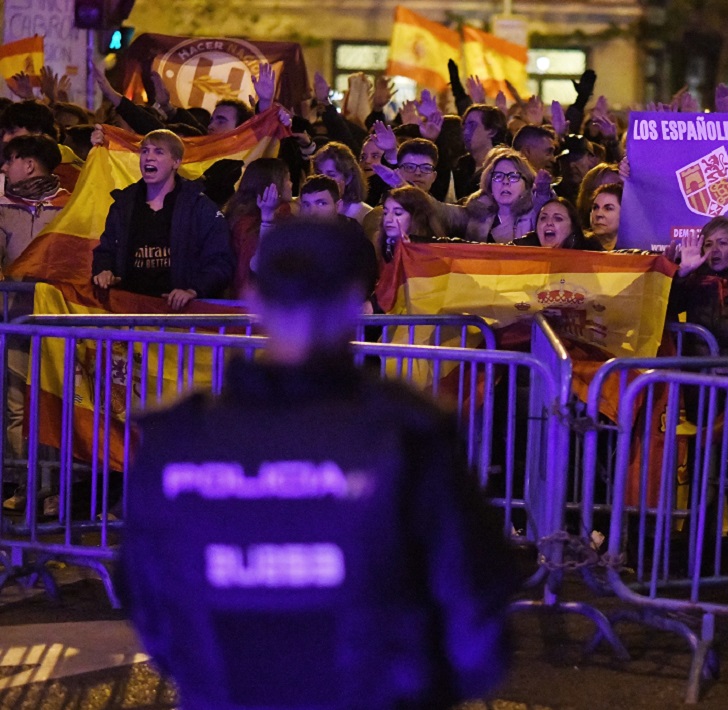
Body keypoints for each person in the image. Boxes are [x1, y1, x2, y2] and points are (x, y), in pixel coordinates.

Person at [118, 216, 516, 709]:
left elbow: (150, 609)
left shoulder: (175, 439)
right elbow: (476, 617)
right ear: (355, 304)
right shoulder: (406, 435)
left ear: (256, 299)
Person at [91, 130, 233, 309]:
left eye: (158, 152)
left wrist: (193, 290)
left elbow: (220, 260)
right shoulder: (124, 204)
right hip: (130, 310)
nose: (149, 157)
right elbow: (106, 249)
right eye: (145, 151)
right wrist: (104, 270)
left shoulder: (199, 207)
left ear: (176, 162)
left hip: (178, 315)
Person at [668, 216, 728, 356]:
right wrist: (682, 273)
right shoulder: (695, 278)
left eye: (722, 243)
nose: (715, 249)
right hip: (693, 369)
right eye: (708, 244)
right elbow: (669, 308)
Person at [434, 147, 549, 243]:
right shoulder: (475, 212)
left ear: (527, 183)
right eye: (498, 176)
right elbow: (440, 213)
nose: (505, 181)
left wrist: (543, 193)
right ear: (490, 184)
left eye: (514, 177)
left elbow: (546, 210)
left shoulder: (537, 214)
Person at [222, 158, 292, 296]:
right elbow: (251, 272)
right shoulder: (249, 225)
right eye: (287, 179)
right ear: (273, 187)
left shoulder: (241, 216)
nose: (291, 184)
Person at [0, 134, 71, 268]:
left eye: (10, 161)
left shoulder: (70, 206)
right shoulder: (3, 206)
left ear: (29, 166)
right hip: (10, 289)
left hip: (55, 289)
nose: (4, 168)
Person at [379, 186, 446, 261]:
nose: (388, 219)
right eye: (385, 213)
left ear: (417, 217)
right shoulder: (385, 247)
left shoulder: (435, 251)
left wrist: (415, 241)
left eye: (398, 213)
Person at [313, 142, 372, 222]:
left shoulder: (365, 215)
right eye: (318, 174)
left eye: (331, 175)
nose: (322, 180)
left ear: (348, 178)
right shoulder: (307, 209)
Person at [514, 197, 584, 248]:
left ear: (572, 228)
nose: (549, 223)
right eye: (543, 218)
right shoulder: (520, 249)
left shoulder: (587, 259)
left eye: (558, 218)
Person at [587, 182, 622, 250]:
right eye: (595, 207)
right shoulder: (579, 246)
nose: (598, 214)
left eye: (608, 208)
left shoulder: (638, 249)